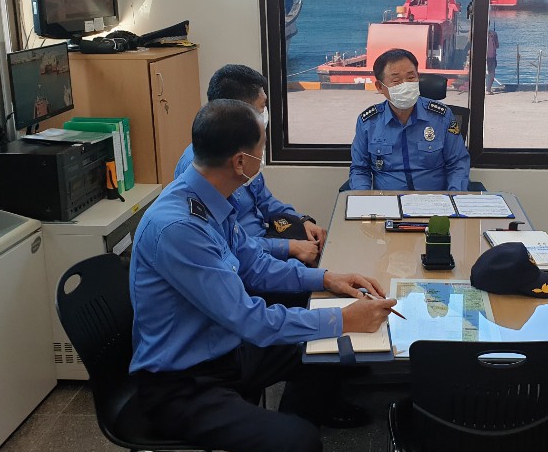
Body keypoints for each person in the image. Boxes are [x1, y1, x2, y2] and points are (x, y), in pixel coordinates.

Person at [131, 99, 396, 452]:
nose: (263, 156)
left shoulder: (212, 198)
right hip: (183, 382)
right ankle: (289, 432)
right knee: (301, 441)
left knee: (322, 352)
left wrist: (326, 279)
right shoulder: (180, 228)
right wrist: (344, 318)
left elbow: (255, 265)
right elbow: (249, 320)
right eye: (262, 148)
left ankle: (289, 422)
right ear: (240, 162)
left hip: (225, 351)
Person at [175, 64, 325, 267]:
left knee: (322, 248)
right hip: (247, 257)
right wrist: (289, 247)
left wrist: (300, 220)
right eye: (261, 108)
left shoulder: (245, 152)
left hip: (263, 240)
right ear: (237, 112)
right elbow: (230, 246)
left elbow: (265, 201)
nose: (265, 114)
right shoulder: (207, 168)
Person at [349, 48, 470, 191]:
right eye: (396, 80)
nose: (405, 85)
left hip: (434, 200)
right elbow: (360, 169)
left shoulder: (441, 117)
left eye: (411, 77)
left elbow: (458, 164)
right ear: (380, 87)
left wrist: (454, 196)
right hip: (388, 201)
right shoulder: (368, 122)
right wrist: (362, 198)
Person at [486, 28, 499, 94]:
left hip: (482, 57)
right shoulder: (494, 34)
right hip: (491, 57)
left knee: (487, 73)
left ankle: (486, 88)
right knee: (491, 73)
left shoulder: (476, 32)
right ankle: (488, 89)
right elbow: (497, 45)